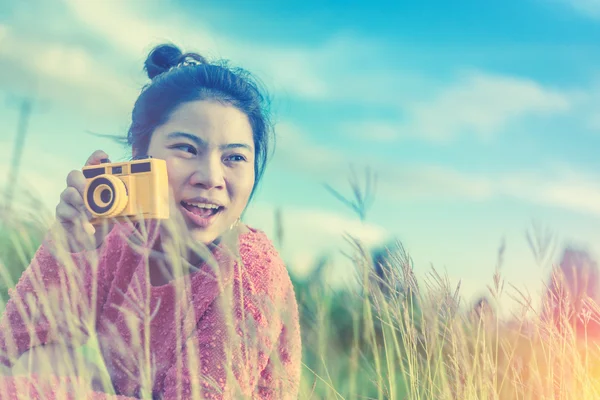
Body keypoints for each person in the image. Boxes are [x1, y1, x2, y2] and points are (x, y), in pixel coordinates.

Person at [0, 43, 302, 399]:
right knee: (43, 360)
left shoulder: (250, 270)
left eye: (234, 157)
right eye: (187, 149)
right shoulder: (117, 233)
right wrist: (66, 250)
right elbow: (13, 348)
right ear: (141, 156)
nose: (211, 177)